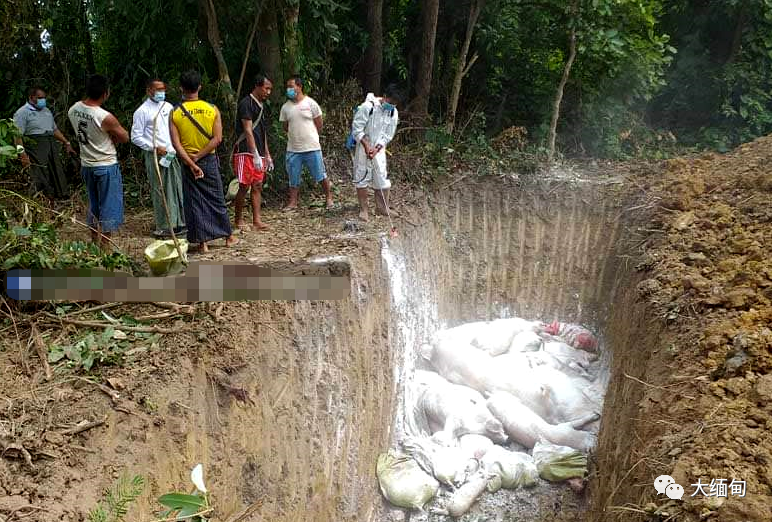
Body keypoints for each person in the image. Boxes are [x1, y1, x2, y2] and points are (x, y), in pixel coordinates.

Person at [169, 70, 238, 253]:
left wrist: (191, 163)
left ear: (181, 88)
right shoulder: (212, 109)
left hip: (187, 161)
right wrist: (199, 157)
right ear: (200, 86)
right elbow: (217, 138)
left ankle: (202, 243)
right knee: (216, 198)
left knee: (194, 202)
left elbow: (176, 144)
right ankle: (228, 236)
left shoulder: (175, 112)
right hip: (207, 159)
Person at [67, 74, 129, 248]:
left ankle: (94, 242)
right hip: (105, 164)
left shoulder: (73, 109)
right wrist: (111, 134)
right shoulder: (104, 116)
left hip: (87, 164)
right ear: (105, 93)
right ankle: (105, 245)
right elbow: (124, 137)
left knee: (94, 204)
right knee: (109, 205)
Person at [131, 78, 186, 239]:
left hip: (171, 153)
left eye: (163, 89)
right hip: (155, 156)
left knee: (176, 187)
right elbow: (135, 136)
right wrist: (154, 147)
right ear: (149, 91)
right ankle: (164, 225)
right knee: (160, 189)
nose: (161, 92)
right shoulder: (142, 111)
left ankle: (180, 222)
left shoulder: (168, 107)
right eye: (157, 89)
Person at [278, 76, 333, 210]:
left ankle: (329, 198)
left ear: (299, 87)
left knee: (320, 174)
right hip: (293, 149)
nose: (289, 89)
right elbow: (285, 127)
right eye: (287, 87)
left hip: (311, 147)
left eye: (291, 86)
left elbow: (319, 123)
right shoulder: (285, 107)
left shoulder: (310, 103)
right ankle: (293, 202)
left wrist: (312, 136)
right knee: (293, 178)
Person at [13, 86, 76, 200]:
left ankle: (60, 196)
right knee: (39, 173)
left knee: (56, 170)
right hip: (35, 146)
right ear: (31, 97)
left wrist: (66, 142)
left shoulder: (46, 111)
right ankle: (41, 199)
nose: (43, 100)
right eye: (40, 98)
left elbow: (54, 130)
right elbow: (17, 136)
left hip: (50, 143)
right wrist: (22, 155)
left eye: (44, 98)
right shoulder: (22, 113)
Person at [350, 85, 401, 221]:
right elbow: (357, 129)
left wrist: (377, 148)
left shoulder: (393, 113)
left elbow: (388, 134)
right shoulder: (368, 107)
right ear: (384, 96)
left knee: (381, 177)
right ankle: (364, 210)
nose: (392, 106)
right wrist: (366, 146)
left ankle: (382, 208)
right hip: (363, 147)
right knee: (361, 177)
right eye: (390, 102)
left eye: (394, 104)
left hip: (379, 149)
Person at [233, 74, 274, 231]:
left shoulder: (261, 106)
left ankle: (257, 220)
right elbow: (248, 131)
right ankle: (238, 220)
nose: (268, 92)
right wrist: (255, 153)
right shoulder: (246, 104)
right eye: (266, 88)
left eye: (270, 89)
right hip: (245, 152)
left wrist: (266, 154)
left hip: (259, 153)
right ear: (257, 86)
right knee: (244, 186)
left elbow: (261, 132)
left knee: (257, 185)